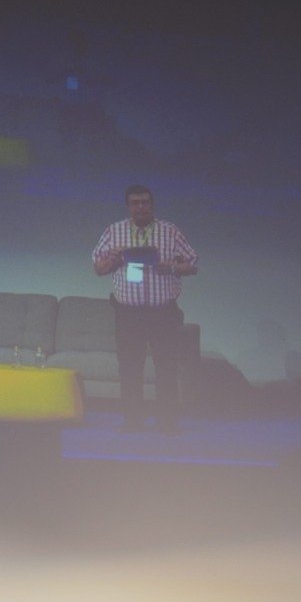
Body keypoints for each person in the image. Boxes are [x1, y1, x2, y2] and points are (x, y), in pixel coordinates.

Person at [91, 184, 198, 434]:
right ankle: (132, 422)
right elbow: (98, 268)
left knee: (167, 368)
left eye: (145, 202)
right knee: (129, 368)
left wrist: (170, 266)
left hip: (163, 313)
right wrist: (115, 259)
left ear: (152, 205)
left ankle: (167, 423)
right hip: (128, 314)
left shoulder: (169, 232)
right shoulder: (114, 231)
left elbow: (193, 265)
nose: (141, 207)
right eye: (136, 202)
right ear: (128, 206)